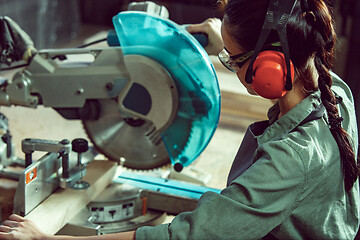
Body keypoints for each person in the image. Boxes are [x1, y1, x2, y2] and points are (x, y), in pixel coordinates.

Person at [0, 0, 359, 239]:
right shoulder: (333, 92)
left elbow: (186, 235)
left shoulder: (291, 158)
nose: (230, 67)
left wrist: (43, 238)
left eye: (233, 61)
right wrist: (220, 39)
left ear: (271, 68)